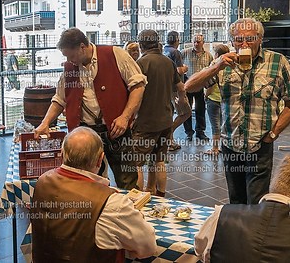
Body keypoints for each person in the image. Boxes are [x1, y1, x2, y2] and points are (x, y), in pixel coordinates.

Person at [185, 18, 290, 204]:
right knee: (236, 199)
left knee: (256, 200)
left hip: (260, 143)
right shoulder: (223, 63)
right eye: (238, 40)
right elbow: (189, 87)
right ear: (231, 42)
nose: (244, 44)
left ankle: (255, 232)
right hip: (230, 142)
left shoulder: (277, 62)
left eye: (250, 39)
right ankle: (238, 232)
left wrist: (273, 133)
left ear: (260, 38)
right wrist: (216, 66)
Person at [34, 27, 147, 189]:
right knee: (89, 182)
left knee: (127, 180)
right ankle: (98, 212)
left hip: (117, 130)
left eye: (71, 55)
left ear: (82, 46)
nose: (69, 60)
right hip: (85, 134)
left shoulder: (115, 54)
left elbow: (138, 85)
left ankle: (131, 212)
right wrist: (45, 123)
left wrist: (125, 116)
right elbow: (59, 99)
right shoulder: (69, 68)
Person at [30, 127, 157, 262]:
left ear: (62, 154)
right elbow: (148, 247)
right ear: (100, 159)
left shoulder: (42, 181)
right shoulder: (112, 202)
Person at [133, 30, 185, 196]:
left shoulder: (141, 64)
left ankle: (138, 198)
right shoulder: (168, 62)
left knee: (136, 163)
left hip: (145, 122)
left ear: (141, 45)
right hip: (166, 120)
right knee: (159, 160)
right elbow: (180, 88)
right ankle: (158, 194)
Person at [181, 34, 213, 141]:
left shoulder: (208, 55)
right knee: (187, 110)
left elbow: (211, 70)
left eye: (198, 42)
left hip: (201, 85)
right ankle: (188, 132)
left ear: (203, 42)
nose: (196, 44)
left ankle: (200, 131)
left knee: (200, 109)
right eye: (194, 41)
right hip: (188, 83)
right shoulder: (185, 53)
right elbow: (178, 66)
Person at [163, 30, 191, 150]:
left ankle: (170, 141)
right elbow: (179, 70)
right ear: (177, 40)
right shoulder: (175, 52)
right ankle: (168, 134)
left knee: (170, 114)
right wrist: (185, 68)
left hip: (165, 87)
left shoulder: (164, 51)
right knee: (186, 112)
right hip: (176, 88)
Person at [204, 44, 229, 155]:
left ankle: (214, 148)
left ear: (217, 55)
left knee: (215, 125)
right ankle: (224, 147)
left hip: (213, 99)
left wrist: (206, 96)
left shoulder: (214, 67)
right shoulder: (230, 66)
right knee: (224, 125)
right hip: (224, 100)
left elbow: (209, 85)